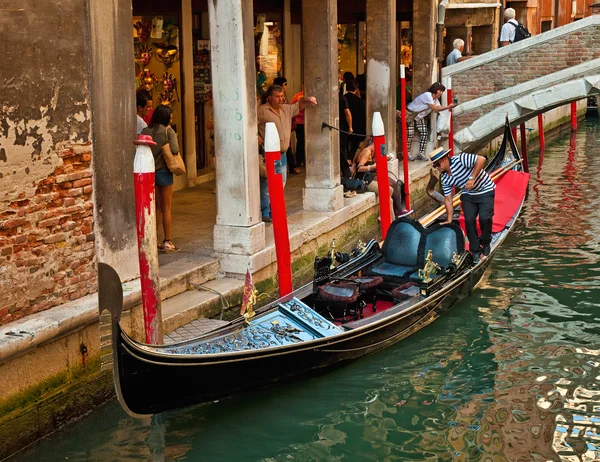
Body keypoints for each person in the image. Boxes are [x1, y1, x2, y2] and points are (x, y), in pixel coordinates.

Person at [257, 85, 317, 222]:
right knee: (267, 183)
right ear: (269, 98)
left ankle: (275, 209)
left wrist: (308, 99)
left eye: (282, 96)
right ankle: (265, 211)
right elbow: (250, 125)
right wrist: (257, 136)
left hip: (282, 153)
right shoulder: (261, 111)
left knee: (281, 182)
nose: (281, 99)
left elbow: (299, 105)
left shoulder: (286, 108)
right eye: (277, 97)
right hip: (269, 154)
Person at [429, 147, 496, 263]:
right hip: (468, 194)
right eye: (434, 165)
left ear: (445, 159)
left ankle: (485, 243)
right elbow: (448, 199)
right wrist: (449, 219)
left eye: (437, 164)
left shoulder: (460, 159)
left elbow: (481, 159)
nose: (437, 167)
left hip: (486, 190)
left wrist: (472, 178)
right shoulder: (445, 178)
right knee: (469, 220)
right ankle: (475, 250)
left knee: (485, 218)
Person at [141, 105, 181, 252]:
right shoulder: (167, 131)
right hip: (164, 172)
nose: (171, 119)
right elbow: (175, 150)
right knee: (166, 208)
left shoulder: (145, 131)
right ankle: (167, 240)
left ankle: (154, 239)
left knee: (155, 208)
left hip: (150, 172)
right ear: (165, 118)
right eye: (170, 117)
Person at [352, 137, 411, 219]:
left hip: (370, 177)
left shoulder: (372, 152)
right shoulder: (367, 151)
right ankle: (389, 218)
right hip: (364, 181)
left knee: (390, 190)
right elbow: (359, 168)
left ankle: (390, 215)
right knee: (388, 195)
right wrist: (371, 167)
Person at [402, 82, 456, 161]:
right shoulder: (428, 95)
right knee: (410, 134)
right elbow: (435, 109)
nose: (441, 93)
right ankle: (406, 153)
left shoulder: (435, 100)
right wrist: (448, 106)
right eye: (440, 91)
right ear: (435, 90)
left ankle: (421, 153)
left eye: (442, 91)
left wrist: (449, 107)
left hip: (419, 116)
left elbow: (439, 108)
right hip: (410, 114)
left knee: (424, 133)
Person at [273, 76, 299, 174]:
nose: (280, 99)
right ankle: (291, 167)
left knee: (286, 147)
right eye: (285, 84)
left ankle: (291, 167)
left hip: (285, 125)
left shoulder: (284, 98)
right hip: (278, 128)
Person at [345, 80, 366, 160]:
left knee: (344, 145)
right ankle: (350, 158)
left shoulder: (343, 98)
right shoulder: (359, 101)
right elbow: (362, 116)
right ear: (356, 89)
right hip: (357, 128)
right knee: (354, 145)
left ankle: (346, 159)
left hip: (344, 128)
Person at [291, 85, 306, 167]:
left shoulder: (297, 96)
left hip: (300, 121)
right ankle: (300, 159)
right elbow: (292, 108)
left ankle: (300, 160)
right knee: (301, 141)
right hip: (300, 122)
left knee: (300, 141)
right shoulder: (298, 96)